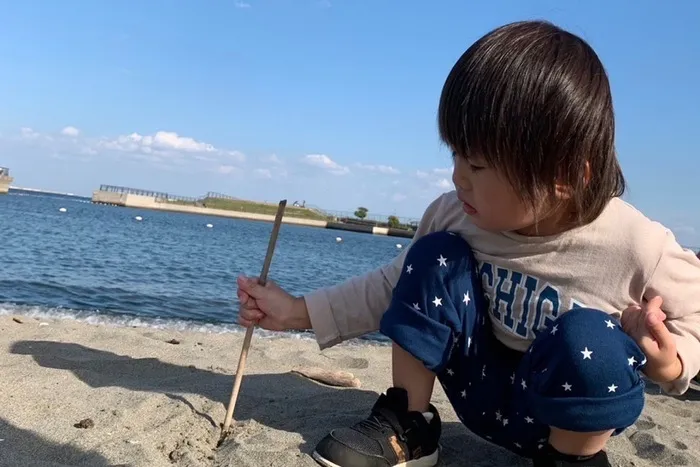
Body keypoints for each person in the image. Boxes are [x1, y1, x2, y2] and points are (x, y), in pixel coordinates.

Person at [236, 20, 700, 467]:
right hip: (479, 390)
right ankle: (409, 423)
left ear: (562, 178)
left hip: (568, 418)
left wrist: (672, 364)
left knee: (590, 339)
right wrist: (296, 311)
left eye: (477, 166)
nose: (458, 177)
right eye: (455, 154)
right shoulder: (453, 216)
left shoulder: (637, 244)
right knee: (434, 256)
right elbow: (391, 290)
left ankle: (571, 461)